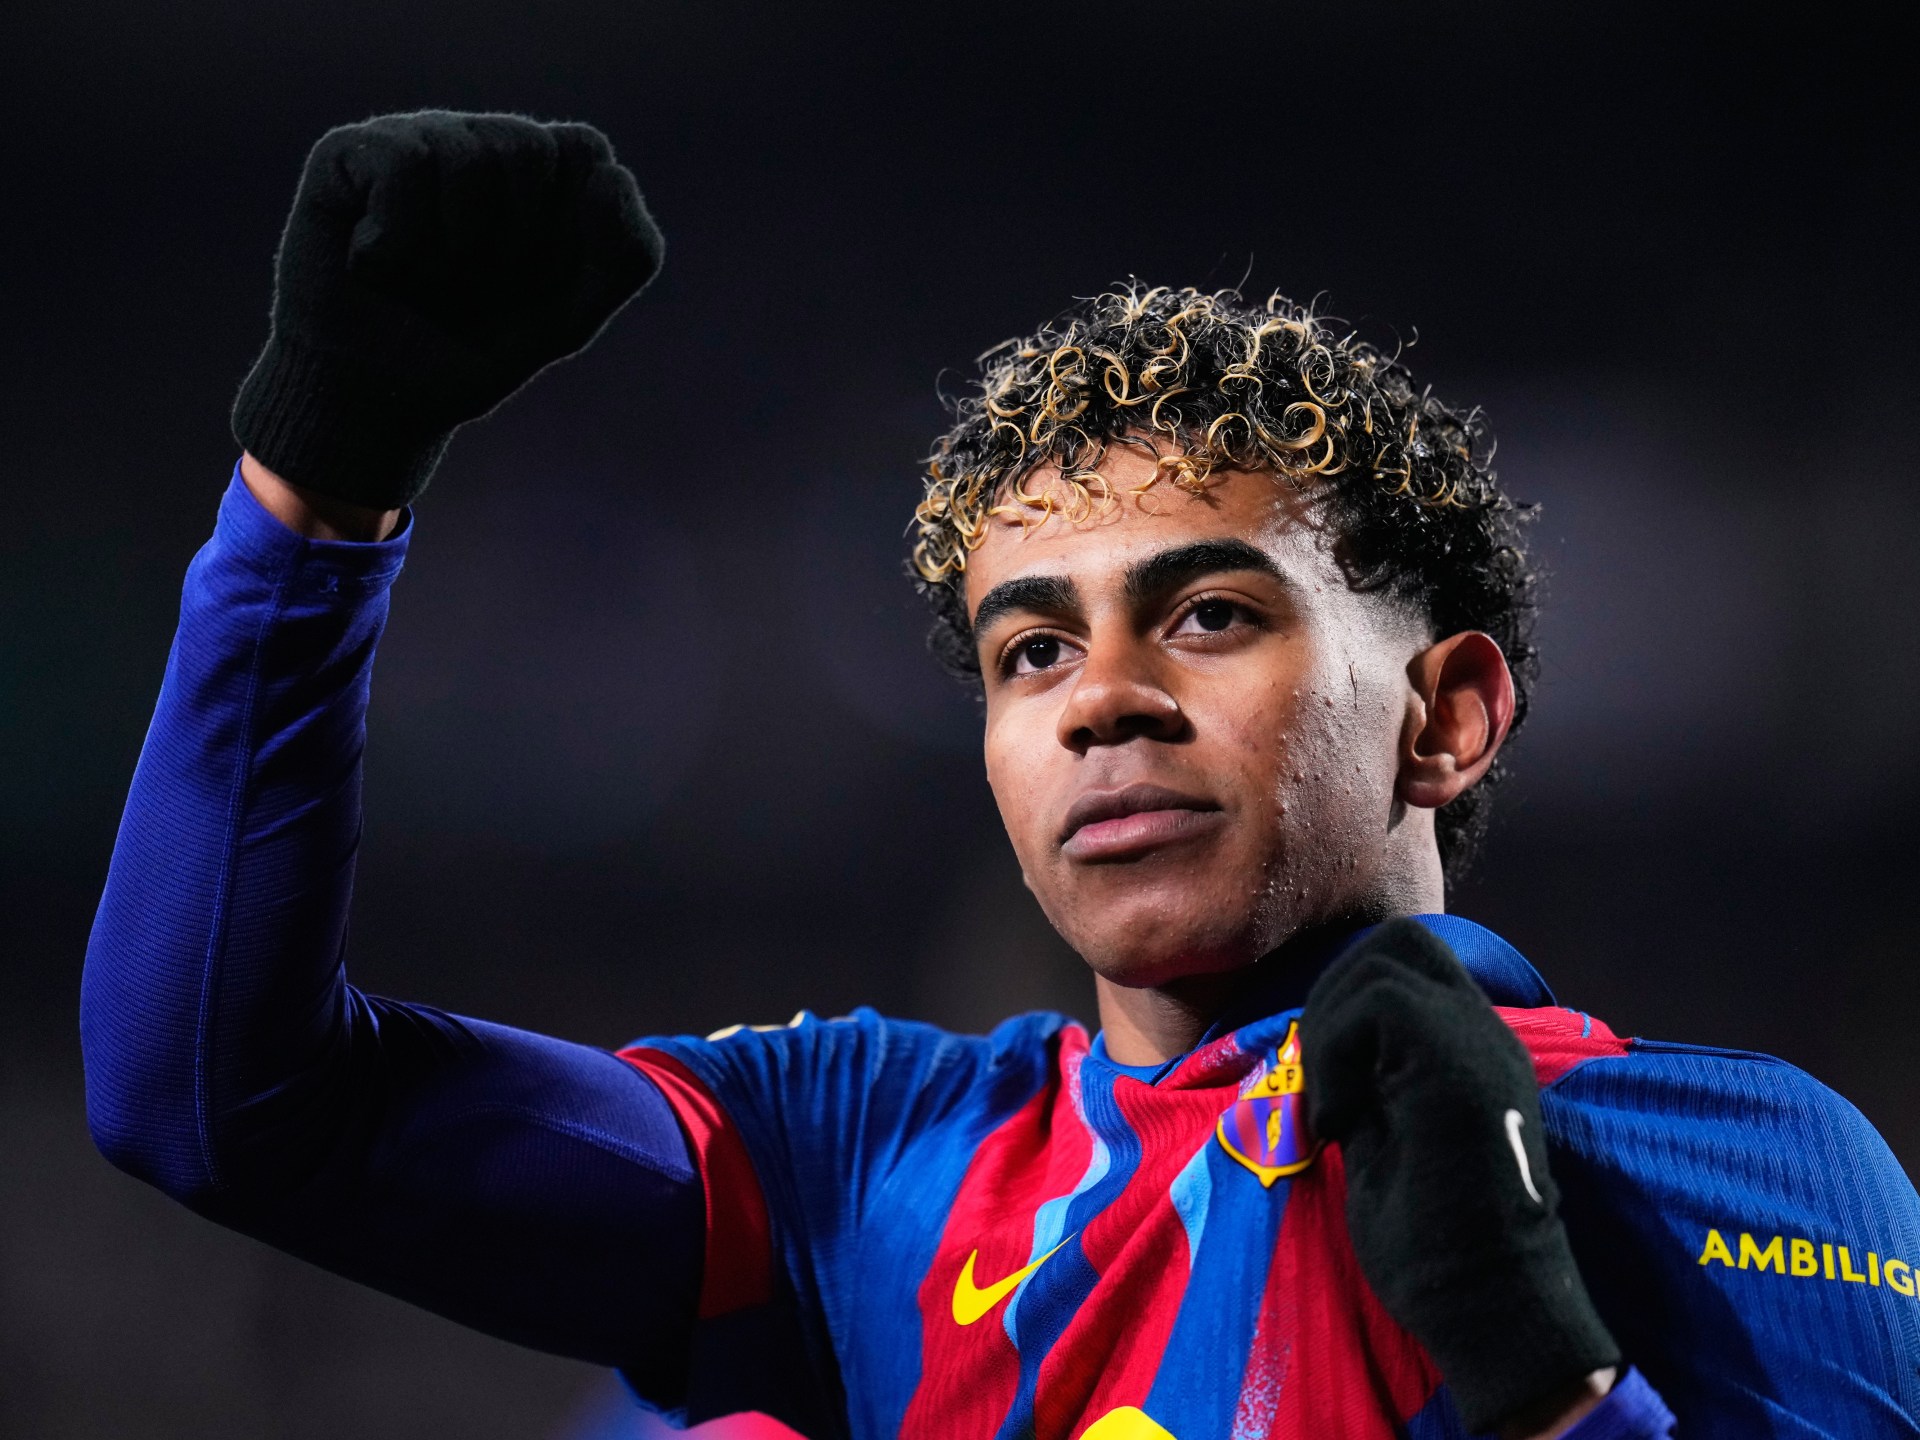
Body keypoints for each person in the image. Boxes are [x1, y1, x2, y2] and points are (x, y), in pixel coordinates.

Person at [78, 110, 1919, 1440]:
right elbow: (213, 1101)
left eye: (1208, 614)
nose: (1101, 699)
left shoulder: (1736, 1161)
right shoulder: (861, 1163)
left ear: (1447, 715)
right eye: (1030, 651)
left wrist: (1550, 1392)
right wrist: (315, 493)